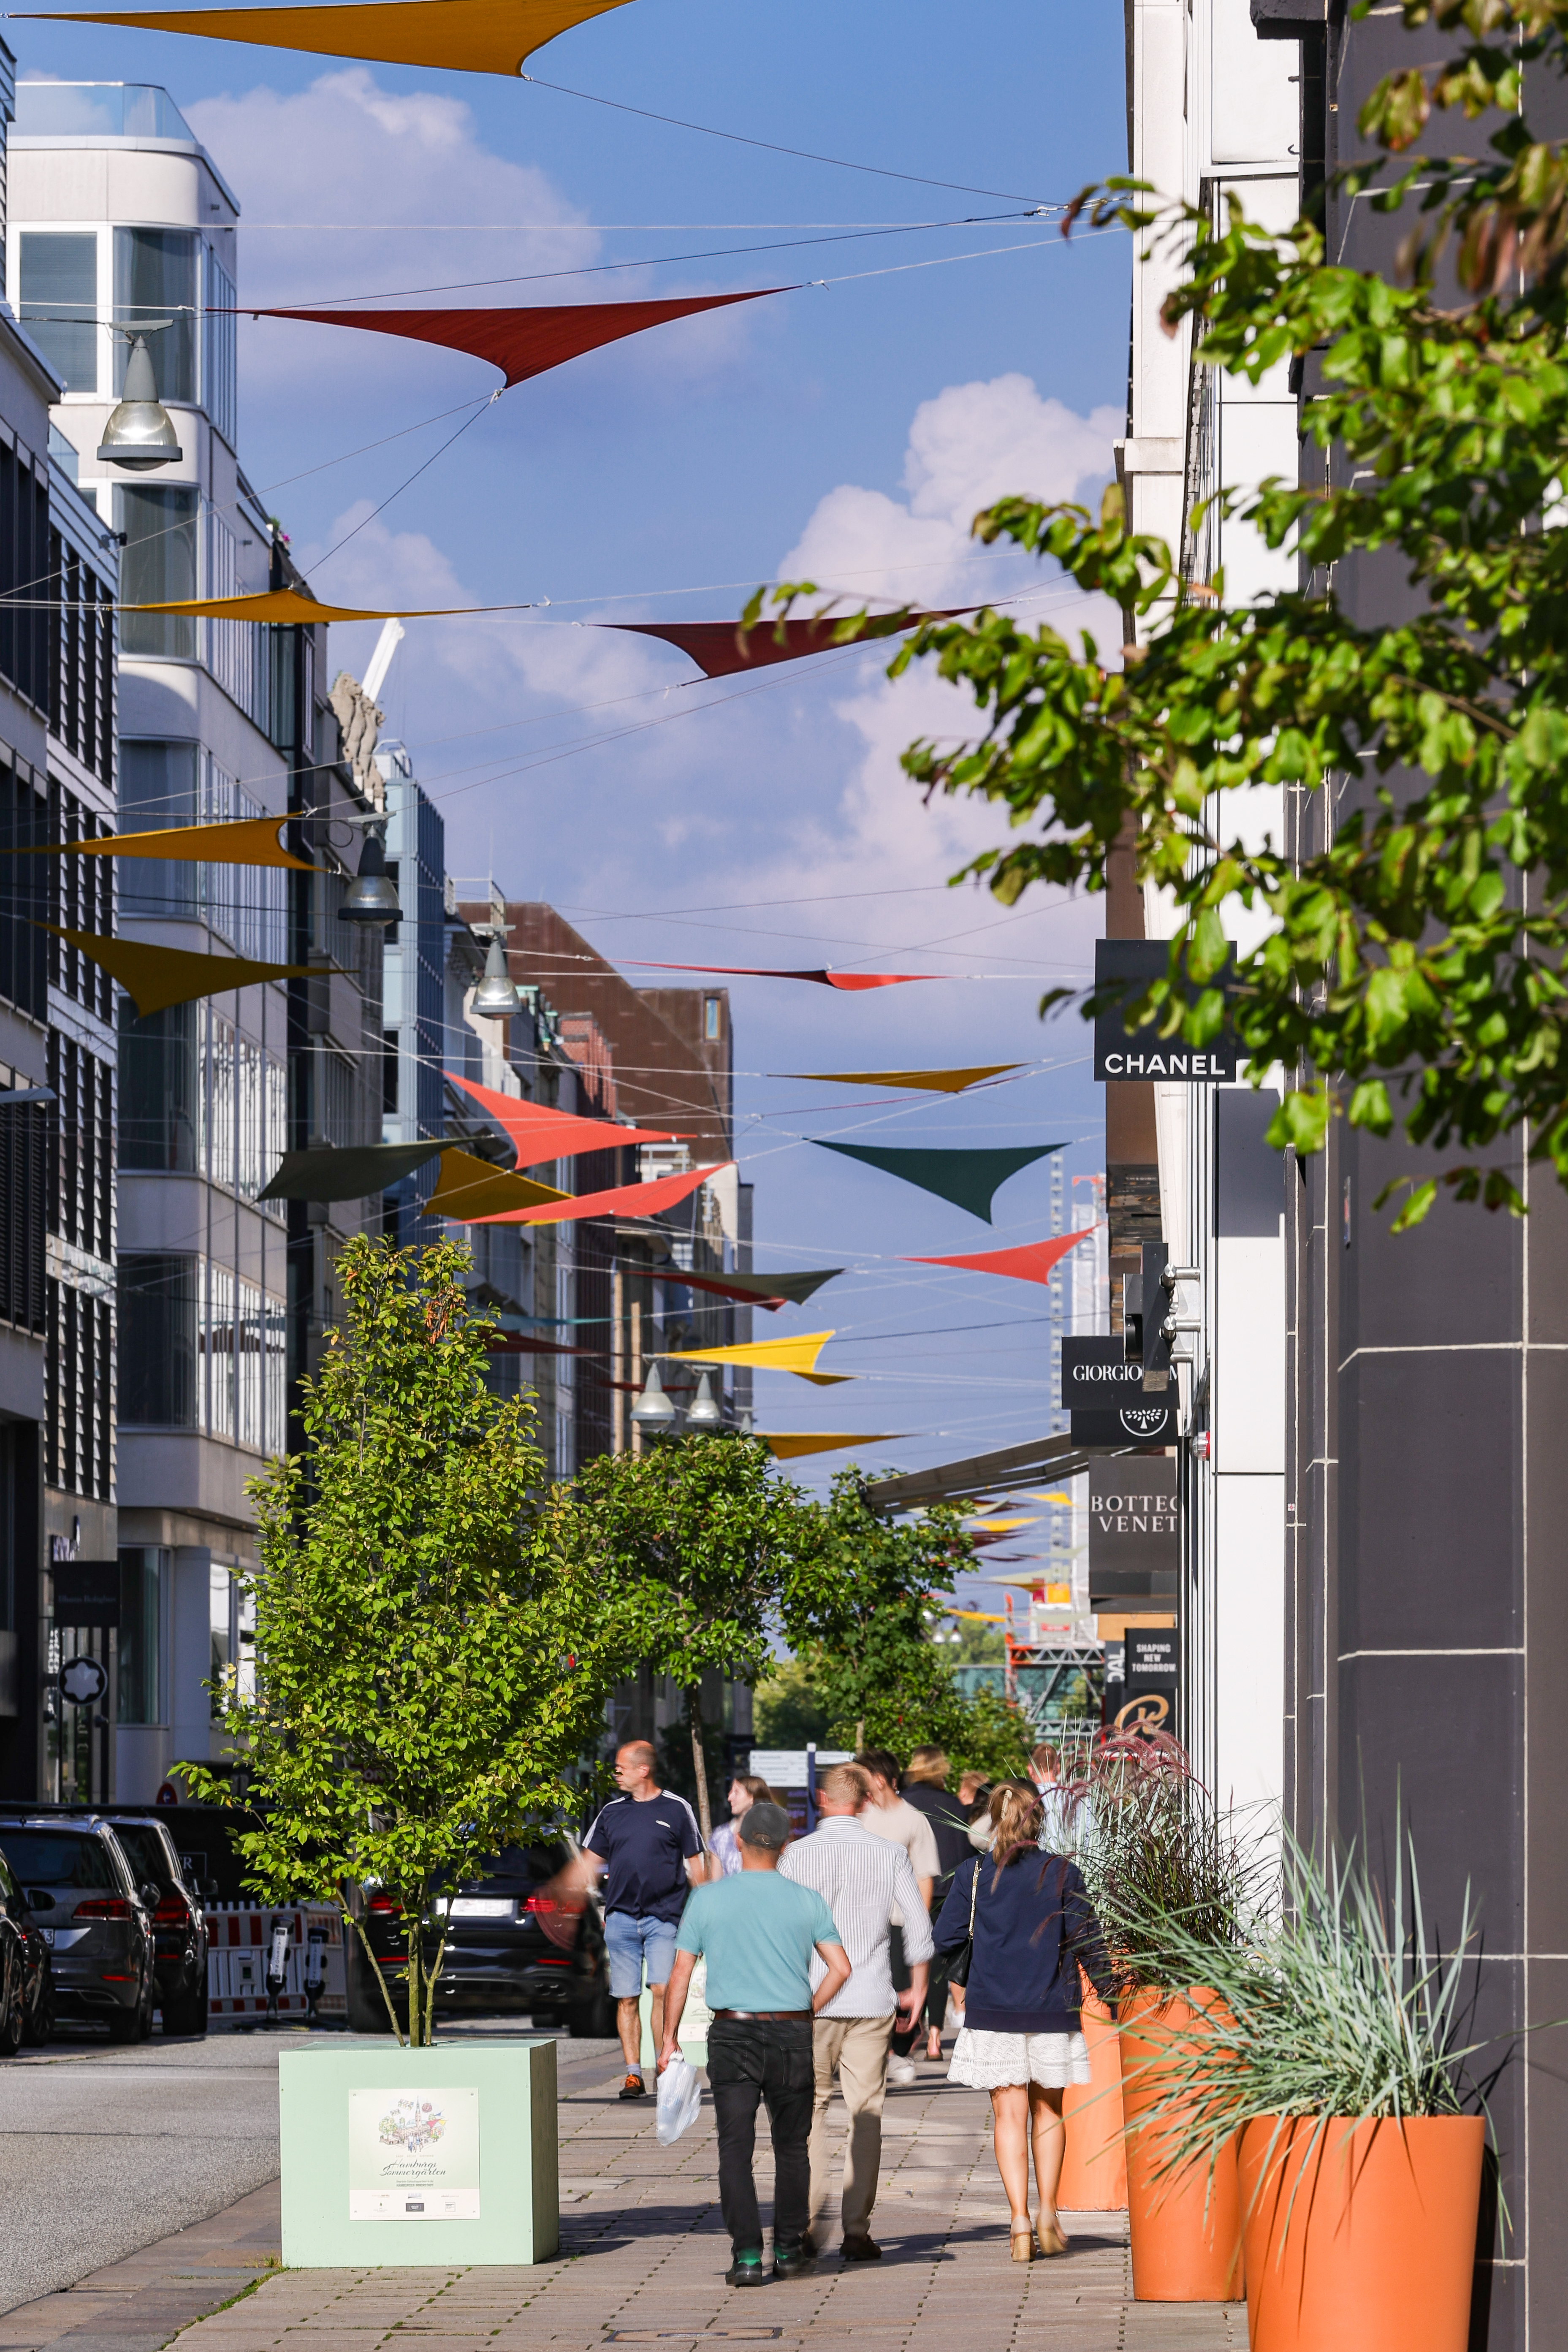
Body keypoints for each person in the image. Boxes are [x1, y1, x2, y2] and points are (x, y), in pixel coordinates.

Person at [659, 1801, 850, 2287]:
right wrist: (807, 2007)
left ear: (740, 1842)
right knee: (791, 2149)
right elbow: (841, 1968)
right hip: (791, 2033)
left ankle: (747, 2256)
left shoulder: (707, 1899)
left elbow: (680, 1974)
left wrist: (667, 2041)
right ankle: (788, 2250)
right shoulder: (807, 1900)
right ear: (785, 1847)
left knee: (735, 2149)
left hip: (733, 2033)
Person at [932, 1780, 1116, 2265]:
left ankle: (1018, 2223)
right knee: (1048, 2112)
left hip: (994, 2009)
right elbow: (1088, 1941)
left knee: (1008, 2115)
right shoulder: (1062, 1873)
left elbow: (946, 1936)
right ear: (1040, 1819)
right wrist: (1114, 1995)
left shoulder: (973, 1874)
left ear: (994, 1819)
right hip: (1052, 2006)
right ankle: (1050, 2213)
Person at [779, 1761, 931, 2262]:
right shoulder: (888, 1854)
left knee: (811, 2109)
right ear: (865, 1801)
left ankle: (803, 2222)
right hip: (871, 1998)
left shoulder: (796, 1856)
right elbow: (919, 1927)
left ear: (821, 1801)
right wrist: (917, 1989)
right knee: (867, 2112)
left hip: (812, 2001)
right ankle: (856, 2230)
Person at [564, 1741, 706, 2101]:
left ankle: (665, 2069)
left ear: (643, 1770)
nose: (616, 1773)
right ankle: (632, 2075)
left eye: (620, 1767)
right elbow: (589, 1864)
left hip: (665, 1918)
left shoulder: (677, 1809)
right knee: (626, 1998)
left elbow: (698, 1867)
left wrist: (705, 1918)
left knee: (661, 1990)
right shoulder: (611, 1813)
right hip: (622, 1919)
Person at [852, 1748, 940, 2086]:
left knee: (898, 1992)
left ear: (878, 1778)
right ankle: (881, 2055)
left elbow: (924, 1877)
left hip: (900, 1922)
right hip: (863, 1921)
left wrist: (920, 1922)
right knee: (870, 1988)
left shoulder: (914, 1820)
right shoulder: (859, 1817)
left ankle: (897, 2051)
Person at [898, 1747, 972, 2063]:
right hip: (949, 1892)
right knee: (940, 1963)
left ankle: (902, 2030)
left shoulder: (903, 1804)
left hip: (910, 1890)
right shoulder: (955, 1806)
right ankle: (935, 2037)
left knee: (904, 1959)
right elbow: (965, 1854)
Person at [712, 1775, 771, 1877]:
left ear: (752, 1798)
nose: (730, 1798)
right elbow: (715, 1883)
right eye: (730, 1792)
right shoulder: (720, 1836)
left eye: (737, 1792)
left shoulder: (771, 1835)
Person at [1028, 1742, 1077, 1855]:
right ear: (1058, 1768)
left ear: (1030, 1769)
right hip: (1073, 1868)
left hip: (1036, 1868)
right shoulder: (1077, 1798)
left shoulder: (1025, 1799)